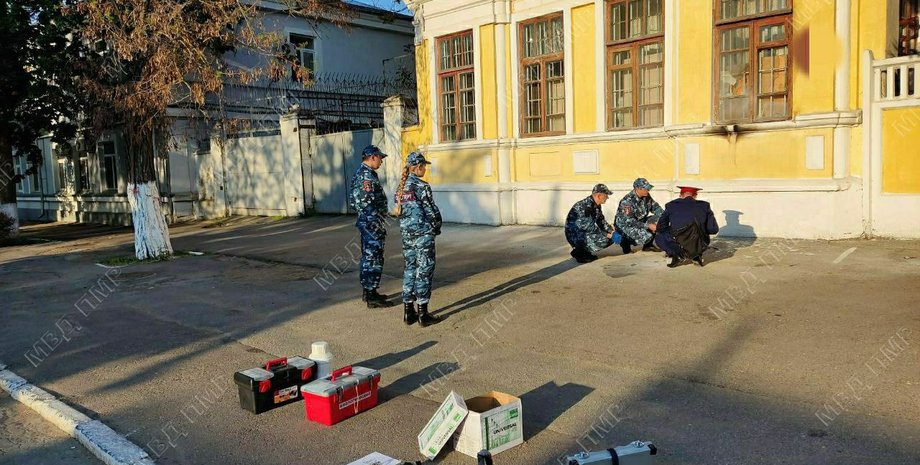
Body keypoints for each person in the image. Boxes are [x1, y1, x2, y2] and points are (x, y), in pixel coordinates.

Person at [395, 152, 442, 327]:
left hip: (407, 235)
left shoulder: (400, 188)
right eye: (424, 166)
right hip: (423, 235)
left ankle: (408, 312)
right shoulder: (422, 186)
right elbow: (432, 211)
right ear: (418, 167)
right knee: (424, 270)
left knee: (410, 269)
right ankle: (423, 313)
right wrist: (436, 226)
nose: (425, 169)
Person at [348, 145, 389, 308]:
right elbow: (366, 203)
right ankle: (371, 295)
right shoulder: (366, 176)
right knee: (373, 257)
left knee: (370, 256)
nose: (381, 161)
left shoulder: (366, 173)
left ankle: (370, 291)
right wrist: (375, 224)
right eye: (380, 158)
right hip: (371, 224)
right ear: (373, 157)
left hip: (369, 222)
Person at [655, 186, 720, 267]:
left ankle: (678, 254)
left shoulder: (671, 206)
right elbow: (713, 229)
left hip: (679, 240)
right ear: (695, 195)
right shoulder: (705, 206)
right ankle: (696, 255)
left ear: (681, 195)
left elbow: (661, 226)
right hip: (700, 243)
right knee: (700, 234)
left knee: (659, 235)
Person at [564, 184, 622, 263]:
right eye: (606, 195)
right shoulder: (585, 207)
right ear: (599, 195)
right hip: (575, 235)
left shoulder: (596, 205)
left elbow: (601, 221)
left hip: (583, 233)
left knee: (611, 237)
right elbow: (590, 228)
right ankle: (579, 252)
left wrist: (612, 231)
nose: (607, 198)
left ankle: (585, 252)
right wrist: (609, 235)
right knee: (605, 239)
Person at [614, 178, 664, 254]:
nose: (648, 190)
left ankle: (648, 246)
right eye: (646, 188)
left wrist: (665, 217)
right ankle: (625, 245)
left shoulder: (646, 196)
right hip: (626, 225)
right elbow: (629, 221)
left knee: (659, 219)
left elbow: (655, 208)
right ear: (638, 189)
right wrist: (648, 226)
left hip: (640, 221)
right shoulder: (627, 201)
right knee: (645, 236)